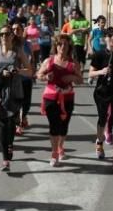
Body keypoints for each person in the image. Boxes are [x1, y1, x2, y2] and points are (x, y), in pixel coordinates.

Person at [36, 33, 83, 167]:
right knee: (54, 126)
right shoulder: (49, 61)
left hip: (67, 97)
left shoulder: (73, 64)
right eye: (60, 44)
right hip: (51, 96)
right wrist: (45, 77)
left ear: (69, 47)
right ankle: (54, 153)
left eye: (65, 45)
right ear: (55, 46)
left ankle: (60, 147)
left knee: (64, 126)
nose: (62, 47)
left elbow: (80, 80)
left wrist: (72, 78)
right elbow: (38, 74)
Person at [0, 27, 31, 171]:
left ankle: (10, 145)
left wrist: (17, 71)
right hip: (0, 93)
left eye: (7, 34)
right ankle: (5, 159)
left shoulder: (18, 51)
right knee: (2, 125)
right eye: (1, 34)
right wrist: (0, 73)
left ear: (12, 36)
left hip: (14, 92)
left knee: (11, 125)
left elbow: (30, 70)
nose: (4, 36)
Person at [88, 29, 113, 170]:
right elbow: (91, 73)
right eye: (109, 36)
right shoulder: (99, 54)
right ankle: (99, 142)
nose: (112, 38)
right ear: (105, 39)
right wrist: (101, 71)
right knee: (103, 119)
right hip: (102, 93)